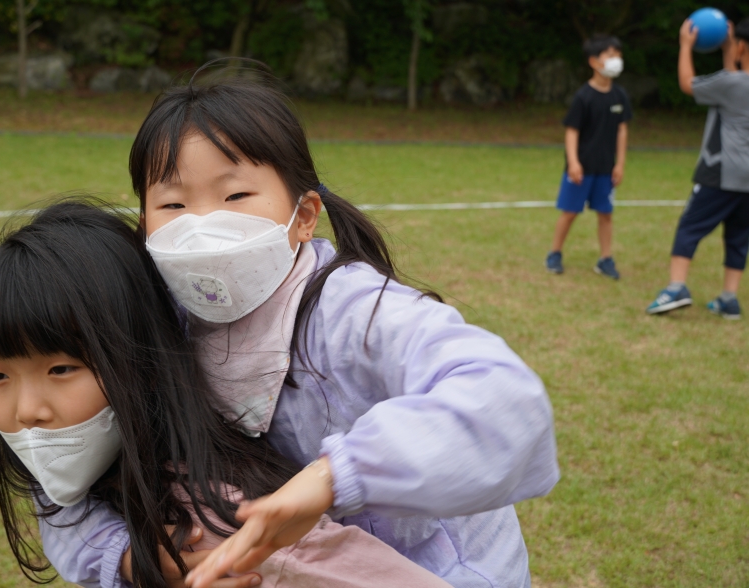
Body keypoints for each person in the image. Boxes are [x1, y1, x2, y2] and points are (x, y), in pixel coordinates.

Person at [40, 71, 559, 588]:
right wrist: (134, 559)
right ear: (144, 224)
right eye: (173, 204)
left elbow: (503, 398)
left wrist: (335, 477)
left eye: (237, 195)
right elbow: (60, 472)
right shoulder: (148, 313)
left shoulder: (356, 311)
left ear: (305, 215)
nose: (202, 225)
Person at [0, 199, 454, 588]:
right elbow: (61, 507)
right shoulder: (105, 479)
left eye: (61, 369)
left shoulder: (219, 522)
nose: (27, 411)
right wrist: (122, 558)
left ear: (141, 362)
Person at [646, 18, 749, 319]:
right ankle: (729, 299)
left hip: (721, 171)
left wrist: (685, 45)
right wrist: (732, 46)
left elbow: (687, 84)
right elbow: (736, 72)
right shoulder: (736, 81)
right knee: (739, 236)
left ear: (742, 46)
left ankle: (676, 288)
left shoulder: (731, 83)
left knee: (690, 227)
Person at [546, 34, 632, 279]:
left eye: (619, 55)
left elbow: (622, 130)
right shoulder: (583, 96)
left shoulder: (620, 96)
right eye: (610, 55)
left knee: (606, 214)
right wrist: (573, 162)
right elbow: (572, 130)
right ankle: (554, 254)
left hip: (606, 169)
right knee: (570, 211)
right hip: (582, 169)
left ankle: (605, 259)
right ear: (594, 62)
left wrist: (621, 164)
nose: (617, 60)